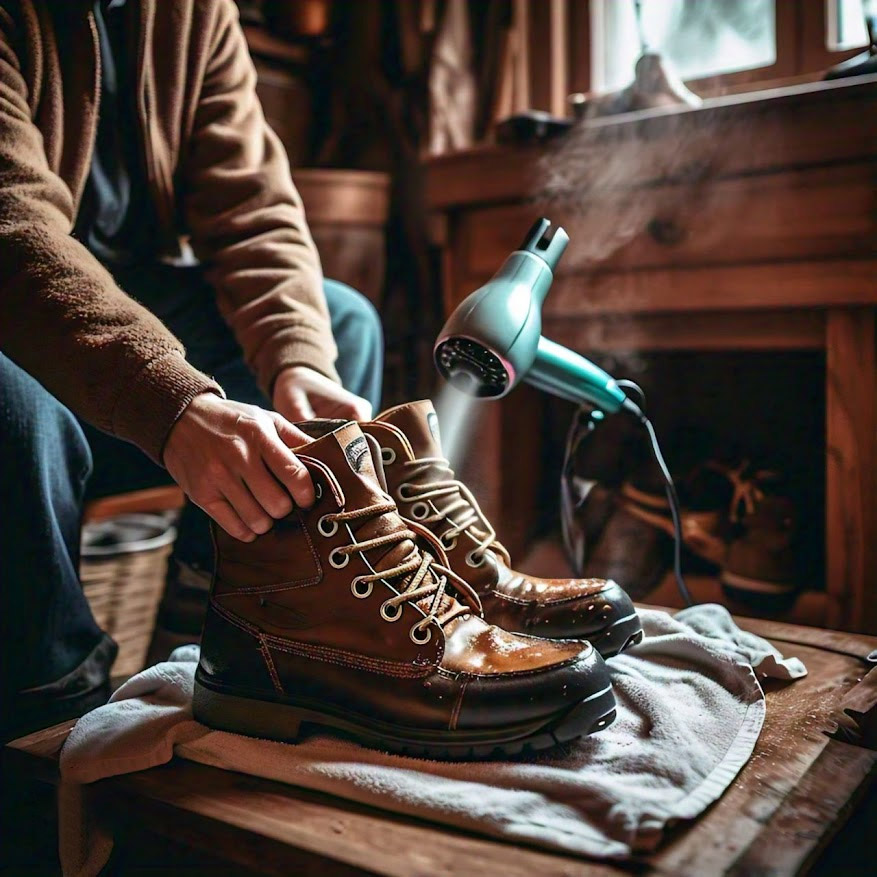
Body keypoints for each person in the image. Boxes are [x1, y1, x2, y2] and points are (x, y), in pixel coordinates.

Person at [0, 0, 383, 740]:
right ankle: (47, 712)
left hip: (115, 317)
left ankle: (232, 633)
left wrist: (297, 355)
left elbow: (253, 206)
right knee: (15, 404)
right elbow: (12, 229)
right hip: (23, 316)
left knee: (341, 323)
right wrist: (171, 404)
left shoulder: (196, 13)